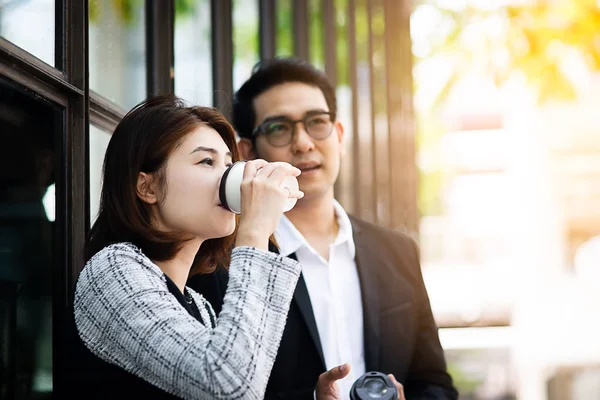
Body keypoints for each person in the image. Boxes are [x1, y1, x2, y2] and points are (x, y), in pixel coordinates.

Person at [188, 58, 458, 399]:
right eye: (278, 128)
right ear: (248, 151)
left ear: (339, 135)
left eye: (317, 122)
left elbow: (435, 383)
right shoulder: (220, 264)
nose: (303, 143)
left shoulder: (398, 252)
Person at [68, 95, 305, 399]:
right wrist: (255, 229)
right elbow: (228, 387)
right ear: (148, 187)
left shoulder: (198, 305)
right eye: (207, 161)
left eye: (230, 165)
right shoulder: (112, 270)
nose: (229, 178)